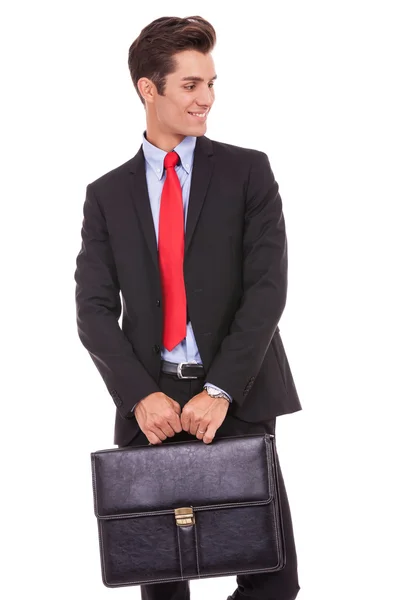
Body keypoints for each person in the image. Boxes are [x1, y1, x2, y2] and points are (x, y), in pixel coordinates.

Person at [74, 14, 302, 600]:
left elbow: (267, 289)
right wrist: (139, 395)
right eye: (191, 86)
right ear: (148, 89)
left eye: (211, 84)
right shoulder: (107, 195)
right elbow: (93, 308)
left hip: (239, 395)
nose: (207, 100)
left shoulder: (248, 171)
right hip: (152, 405)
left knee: (274, 580)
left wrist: (221, 389)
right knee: (162, 582)